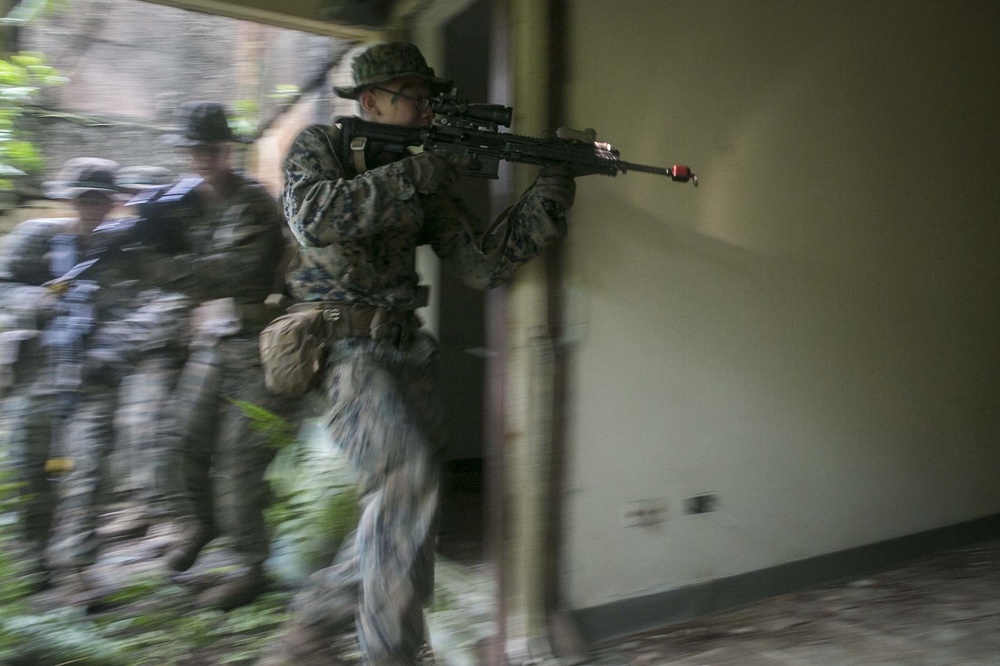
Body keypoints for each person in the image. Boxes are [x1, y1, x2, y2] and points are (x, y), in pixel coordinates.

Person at [260, 41, 576, 665]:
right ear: (371, 101)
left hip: (408, 349)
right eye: (414, 97)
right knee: (408, 482)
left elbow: (483, 265)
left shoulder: (422, 171)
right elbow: (313, 219)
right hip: (343, 346)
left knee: (413, 510)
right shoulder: (322, 146)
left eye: (430, 98)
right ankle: (392, 653)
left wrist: (552, 189)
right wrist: (413, 175)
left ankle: (312, 622)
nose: (427, 109)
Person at [155, 101, 297, 610]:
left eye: (212, 149)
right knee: (179, 436)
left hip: (258, 344)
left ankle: (251, 564)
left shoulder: (252, 202)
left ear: (228, 150)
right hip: (216, 341)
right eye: (194, 150)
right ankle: (201, 524)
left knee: (240, 458)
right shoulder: (189, 202)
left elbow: (227, 275)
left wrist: (156, 267)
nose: (203, 159)